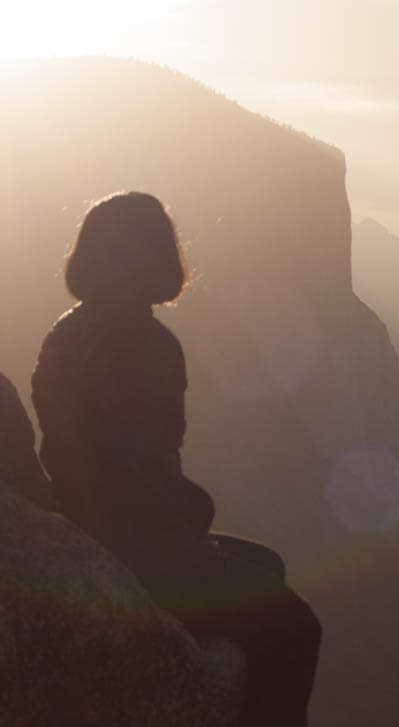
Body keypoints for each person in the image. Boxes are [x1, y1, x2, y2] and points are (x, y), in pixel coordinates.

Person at [32, 192, 321, 727]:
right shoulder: (148, 344)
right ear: (157, 258)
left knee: (265, 563)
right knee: (297, 627)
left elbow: (81, 457)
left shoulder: (64, 334)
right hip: (137, 548)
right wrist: (190, 533)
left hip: (87, 530)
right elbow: (142, 477)